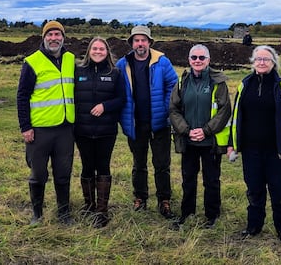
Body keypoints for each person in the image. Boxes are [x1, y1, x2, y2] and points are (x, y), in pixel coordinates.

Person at [227, 45, 281, 244]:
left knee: (279, 192)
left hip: (277, 151)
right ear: (253, 62)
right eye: (258, 59)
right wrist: (232, 144)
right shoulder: (245, 85)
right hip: (251, 150)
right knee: (254, 190)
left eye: (266, 60)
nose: (261, 62)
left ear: (273, 63)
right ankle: (253, 226)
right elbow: (236, 117)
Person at [116, 25, 179, 219]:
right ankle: (140, 198)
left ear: (150, 42)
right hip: (135, 124)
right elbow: (116, 90)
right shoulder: (122, 64)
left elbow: (173, 84)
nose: (140, 43)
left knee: (162, 164)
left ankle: (164, 200)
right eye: (137, 40)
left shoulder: (162, 62)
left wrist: (166, 108)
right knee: (139, 164)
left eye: (144, 40)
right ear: (132, 43)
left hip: (159, 123)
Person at [17, 20, 76, 225]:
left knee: (63, 173)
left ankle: (64, 213)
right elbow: (22, 96)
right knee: (38, 174)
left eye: (57, 35)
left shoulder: (70, 59)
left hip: (65, 129)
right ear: (44, 38)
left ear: (63, 37)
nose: (54, 39)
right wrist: (25, 127)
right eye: (49, 35)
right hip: (40, 130)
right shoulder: (32, 62)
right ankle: (37, 214)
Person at [169, 44, 231, 229]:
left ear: (208, 60)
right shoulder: (182, 82)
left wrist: (205, 130)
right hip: (188, 141)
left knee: (211, 180)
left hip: (210, 141)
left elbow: (224, 110)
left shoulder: (218, 82)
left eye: (201, 58)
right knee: (188, 178)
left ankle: (212, 215)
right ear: (189, 60)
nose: (197, 61)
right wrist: (187, 131)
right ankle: (187, 213)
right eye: (194, 57)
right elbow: (173, 109)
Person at [74, 37, 126, 228]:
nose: (97, 51)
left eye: (101, 49)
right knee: (87, 167)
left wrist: (105, 106)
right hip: (82, 130)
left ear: (107, 52)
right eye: (94, 48)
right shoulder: (78, 71)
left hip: (106, 130)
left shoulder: (115, 73)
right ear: (89, 51)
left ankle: (102, 212)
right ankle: (89, 206)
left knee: (103, 167)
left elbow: (122, 99)